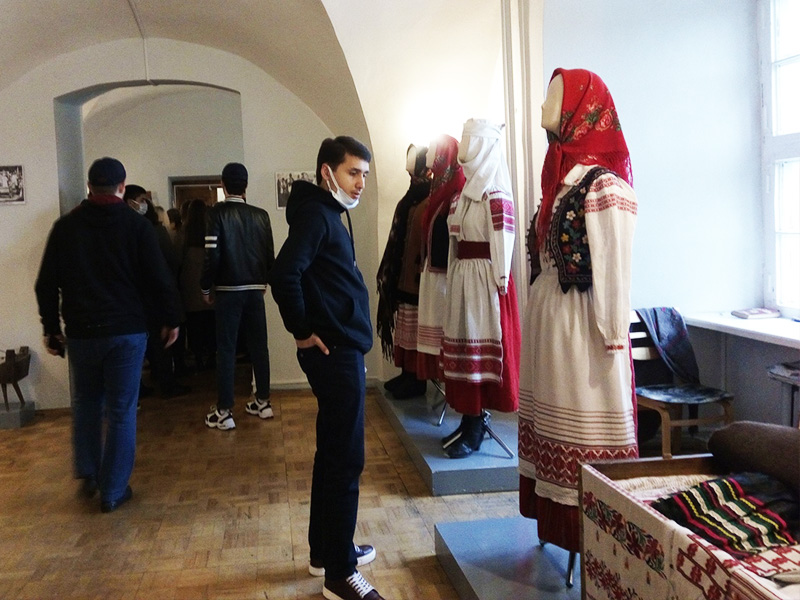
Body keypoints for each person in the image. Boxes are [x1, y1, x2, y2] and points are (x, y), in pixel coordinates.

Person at [518, 69, 639, 553]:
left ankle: (588, 531)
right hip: (552, 322)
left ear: (581, 112)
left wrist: (611, 337)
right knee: (549, 423)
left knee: (580, 424)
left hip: (582, 332)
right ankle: (556, 523)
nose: (543, 105)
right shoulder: (560, 182)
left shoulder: (605, 187)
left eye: (555, 97)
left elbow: (614, 272)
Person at [270, 136, 384, 600]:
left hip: (340, 347)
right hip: (335, 352)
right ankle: (339, 573)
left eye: (364, 175)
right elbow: (284, 274)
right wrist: (301, 330)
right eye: (353, 172)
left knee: (333, 454)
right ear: (326, 172)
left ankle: (326, 550)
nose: (360, 183)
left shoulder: (327, 213)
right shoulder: (318, 216)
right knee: (345, 459)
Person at [34, 157, 181, 512]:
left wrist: (51, 328)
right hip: (126, 330)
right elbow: (158, 279)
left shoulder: (65, 227)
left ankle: (88, 471)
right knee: (121, 409)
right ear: (122, 186)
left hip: (82, 332)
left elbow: (46, 284)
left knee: (86, 401)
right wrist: (171, 318)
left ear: (89, 186)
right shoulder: (137, 226)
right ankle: (113, 489)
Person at [440, 119, 521, 459]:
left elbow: (503, 242)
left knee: (478, 344)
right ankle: (469, 416)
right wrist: (453, 276)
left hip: (486, 283)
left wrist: (500, 281)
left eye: (471, 141)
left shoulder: (495, 195)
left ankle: (477, 423)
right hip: (464, 279)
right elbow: (454, 242)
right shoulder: (462, 197)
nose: (464, 148)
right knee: (462, 342)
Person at [201, 162, 274, 430]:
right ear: (246, 185)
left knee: (226, 349)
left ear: (223, 184)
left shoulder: (215, 214)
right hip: (255, 289)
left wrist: (205, 287)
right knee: (259, 346)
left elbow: (212, 255)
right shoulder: (261, 215)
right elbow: (269, 254)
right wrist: (264, 281)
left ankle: (224, 411)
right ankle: (263, 402)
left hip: (228, 290)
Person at [124, 185, 190, 396]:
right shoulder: (152, 230)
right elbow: (169, 264)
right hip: (151, 296)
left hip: (135, 297)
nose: (144, 204)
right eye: (141, 200)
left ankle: (148, 383)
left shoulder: (127, 229)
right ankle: (166, 383)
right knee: (159, 342)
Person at [376, 144, 430, 399]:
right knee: (406, 328)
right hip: (405, 277)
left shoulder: (431, 200)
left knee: (418, 330)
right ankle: (407, 373)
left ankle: (418, 379)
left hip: (420, 279)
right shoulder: (410, 200)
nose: (410, 173)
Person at [415, 135, 465, 382]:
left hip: (445, 279)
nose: (428, 155)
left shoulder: (456, 195)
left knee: (444, 334)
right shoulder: (437, 194)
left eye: (435, 151)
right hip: (433, 276)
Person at [180, 199, 217, 371]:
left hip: (189, 287)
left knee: (194, 325)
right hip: (210, 286)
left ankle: (197, 358)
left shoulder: (183, 234)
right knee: (211, 324)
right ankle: (211, 357)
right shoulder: (212, 231)